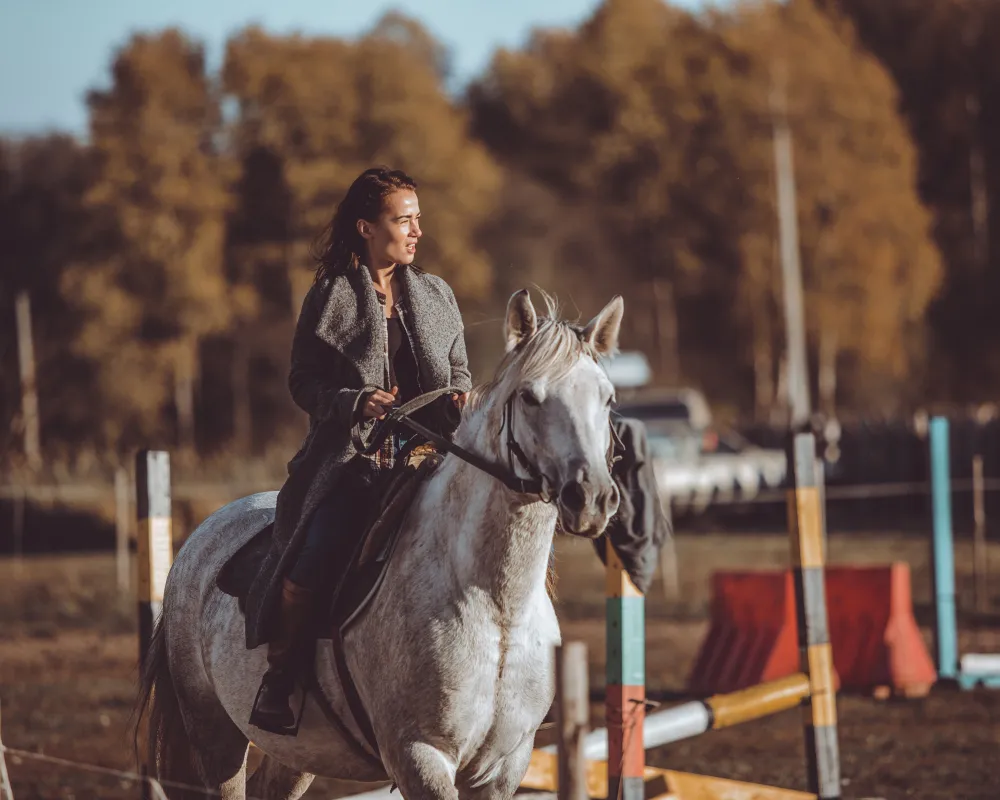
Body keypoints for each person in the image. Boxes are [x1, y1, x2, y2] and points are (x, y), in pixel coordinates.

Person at [246, 167, 472, 734]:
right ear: (367, 227)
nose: (417, 230)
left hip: (433, 459)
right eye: (404, 219)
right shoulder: (329, 298)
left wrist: (462, 397)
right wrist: (353, 401)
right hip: (353, 464)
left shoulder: (439, 293)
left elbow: (461, 368)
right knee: (313, 558)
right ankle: (282, 676)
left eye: (419, 218)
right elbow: (303, 383)